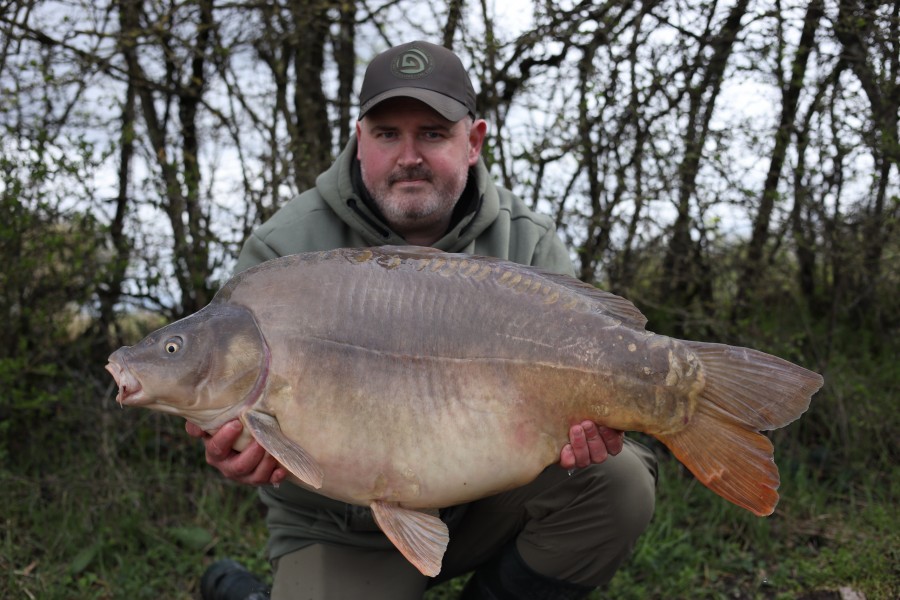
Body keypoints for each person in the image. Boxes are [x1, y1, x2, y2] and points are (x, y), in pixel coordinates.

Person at [189, 40, 658, 600]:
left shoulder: (524, 243)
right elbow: (231, 398)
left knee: (620, 483)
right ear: (360, 141)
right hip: (344, 526)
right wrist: (236, 451)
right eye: (388, 134)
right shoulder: (282, 254)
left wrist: (591, 427)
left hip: (491, 499)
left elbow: (591, 385)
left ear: (474, 141)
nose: (408, 155)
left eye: (432, 134)